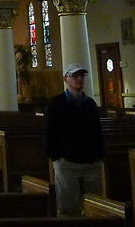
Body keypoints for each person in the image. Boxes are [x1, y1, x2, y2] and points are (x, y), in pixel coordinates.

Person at [43, 62, 104, 216]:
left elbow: (97, 131)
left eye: (81, 76)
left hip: (91, 162)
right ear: (66, 79)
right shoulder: (56, 104)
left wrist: (99, 155)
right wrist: (56, 156)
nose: (79, 79)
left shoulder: (89, 103)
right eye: (75, 76)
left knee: (94, 205)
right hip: (67, 163)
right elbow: (50, 132)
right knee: (68, 206)